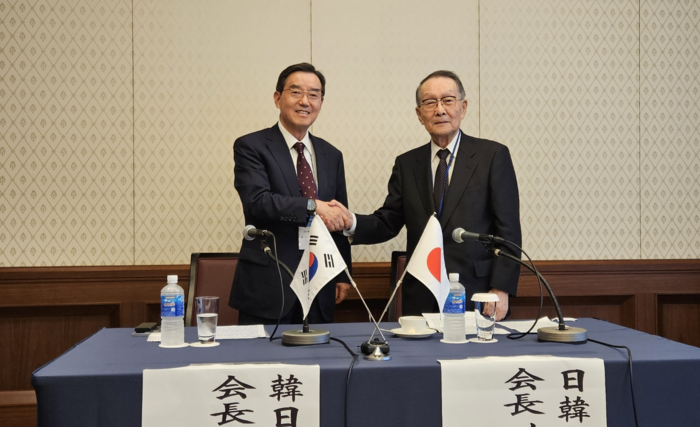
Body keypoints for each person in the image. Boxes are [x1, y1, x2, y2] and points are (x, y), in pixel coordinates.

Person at [333, 70, 521, 321]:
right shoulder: (407, 163)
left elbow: (507, 230)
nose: (440, 109)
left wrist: (501, 289)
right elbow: (388, 221)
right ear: (419, 115)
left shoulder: (492, 156)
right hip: (421, 294)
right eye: (430, 102)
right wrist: (351, 222)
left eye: (448, 100)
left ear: (463, 108)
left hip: (477, 292)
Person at [230, 63, 352, 325]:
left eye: (314, 94)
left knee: (319, 362)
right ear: (277, 98)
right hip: (269, 283)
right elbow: (257, 203)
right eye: (295, 92)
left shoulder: (332, 155)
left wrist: (343, 273)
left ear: (321, 101)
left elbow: (337, 217)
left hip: (320, 280)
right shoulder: (251, 146)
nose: (305, 101)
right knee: (261, 364)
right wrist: (313, 206)